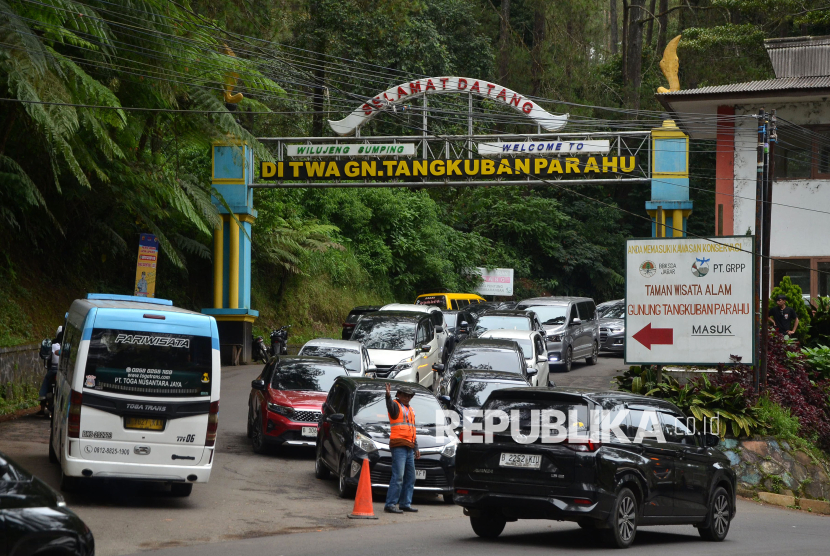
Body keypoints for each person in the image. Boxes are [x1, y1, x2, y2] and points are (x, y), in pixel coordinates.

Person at [384, 383, 420, 514]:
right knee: (398, 476)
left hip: (409, 447)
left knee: (410, 478)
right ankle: (391, 504)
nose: (407, 398)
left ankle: (405, 503)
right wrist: (387, 396)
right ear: (398, 395)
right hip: (399, 446)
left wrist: (416, 447)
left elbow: (412, 430)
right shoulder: (395, 406)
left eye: (409, 396)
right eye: (405, 395)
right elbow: (389, 406)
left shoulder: (411, 410)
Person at [37, 327, 62, 415]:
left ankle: (42, 403)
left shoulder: (52, 345)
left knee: (46, 381)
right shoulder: (67, 346)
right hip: (62, 371)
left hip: (53, 369)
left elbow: (45, 355)